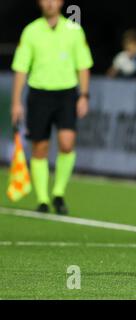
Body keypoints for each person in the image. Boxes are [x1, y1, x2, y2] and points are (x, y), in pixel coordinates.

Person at [10, 0, 93, 214]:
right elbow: (20, 68)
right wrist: (16, 102)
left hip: (66, 94)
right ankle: (43, 199)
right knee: (40, 147)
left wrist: (84, 95)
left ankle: (58, 192)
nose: (49, 3)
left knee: (67, 143)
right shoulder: (31, 31)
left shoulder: (74, 30)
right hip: (39, 93)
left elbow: (83, 65)